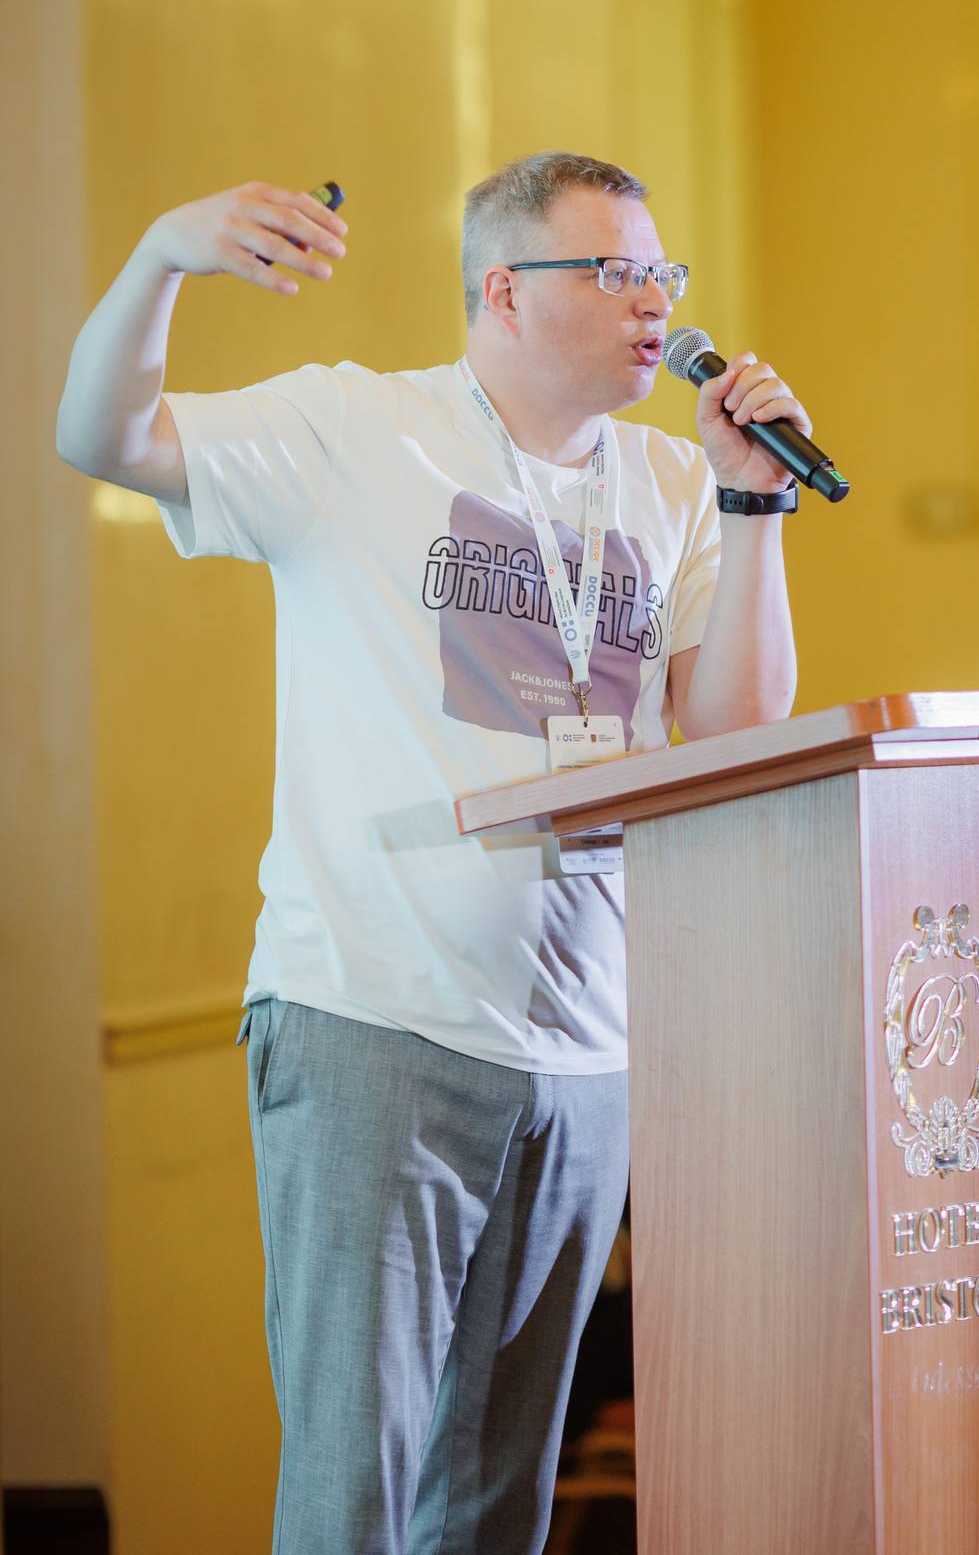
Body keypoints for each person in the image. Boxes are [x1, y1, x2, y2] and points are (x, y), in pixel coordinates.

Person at [56, 150, 807, 1555]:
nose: (655, 303)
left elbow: (735, 731)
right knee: (360, 1488)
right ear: (503, 292)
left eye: (662, 272)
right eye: (616, 271)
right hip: (378, 1021)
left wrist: (752, 503)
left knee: (497, 1500)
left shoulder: (666, 480)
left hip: (585, 1051)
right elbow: (103, 435)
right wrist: (161, 255)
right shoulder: (357, 430)